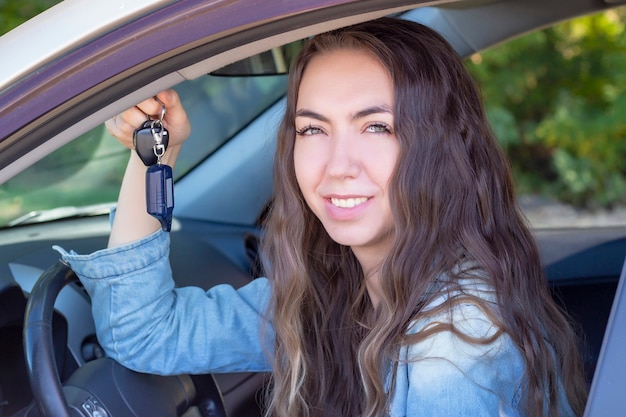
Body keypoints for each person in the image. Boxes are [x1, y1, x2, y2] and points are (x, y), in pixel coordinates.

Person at [56, 17, 588, 417]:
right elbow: (146, 334)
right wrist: (156, 158)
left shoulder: (449, 350)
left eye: (377, 126)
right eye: (313, 129)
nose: (337, 166)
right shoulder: (334, 291)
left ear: (443, 146)